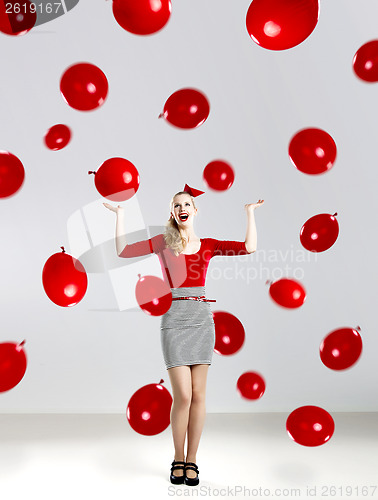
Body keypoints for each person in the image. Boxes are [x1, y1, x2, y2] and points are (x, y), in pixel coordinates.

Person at [104, 185, 264, 486]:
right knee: (184, 396)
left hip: (202, 321)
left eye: (186, 203)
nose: (182, 208)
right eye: (176, 204)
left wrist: (249, 214)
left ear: (195, 210)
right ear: (172, 212)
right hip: (174, 320)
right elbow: (123, 250)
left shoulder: (210, 244)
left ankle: (192, 460)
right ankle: (178, 458)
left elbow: (249, 247)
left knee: (200, 396)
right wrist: (121, 215)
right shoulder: (163, 243)